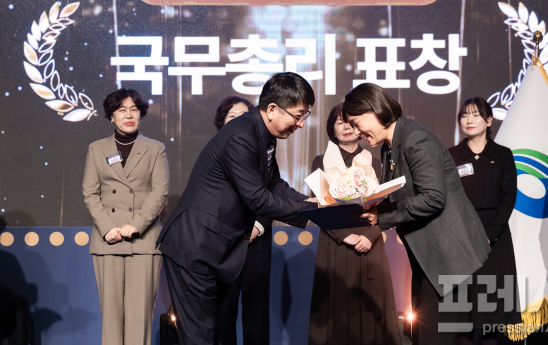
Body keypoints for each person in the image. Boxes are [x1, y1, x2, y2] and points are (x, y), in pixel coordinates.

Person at [157, 72, 318, 345]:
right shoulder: (241, 136)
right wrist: (309, 213)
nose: (301, 124)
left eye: (305, 116)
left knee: (211, 335)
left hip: (215, 250)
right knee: (200, 338)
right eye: (298, 116)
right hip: (195, 248)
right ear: (272, 109)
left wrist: (313, 203)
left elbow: (274, 183)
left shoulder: (264, 135)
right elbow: (257, 198)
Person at [341, 83, 490, 345]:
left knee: (437, 338)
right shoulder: (389, 147)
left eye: (356, 123)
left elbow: (433, 198)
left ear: (374, 110)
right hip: (428, 258)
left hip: (449, 259)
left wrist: (381, 216)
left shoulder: (415, 138)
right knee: (424, 336)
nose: (356, 131)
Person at [308, 103, 401, 345]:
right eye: (340, 123)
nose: (346, 127)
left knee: (370, 310)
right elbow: (318, 205)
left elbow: (388, 205)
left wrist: (370, 236)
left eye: (350, 122)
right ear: (332, 129)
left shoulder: (377, 161)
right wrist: (343, 236)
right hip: (335, 242)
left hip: (369, 241)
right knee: (335, 310)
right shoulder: (320, 161)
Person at [83, 88, 169, 345]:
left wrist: (136, 224)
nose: (128, 115)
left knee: (139, 318)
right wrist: (108, 227)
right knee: (111, 319)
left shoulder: (155, 149)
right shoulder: (97, 149)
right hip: (107, 241)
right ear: (111, 116)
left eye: (134, 109)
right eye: (122, 110)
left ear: (141, 114)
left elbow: (160, 192)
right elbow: (90, 193)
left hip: (142, 241)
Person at [448, 97, 521, 344]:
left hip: (495, 238)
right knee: (462, 313)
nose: (469, 120)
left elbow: (508, 196)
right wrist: (461, 233)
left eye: (476, 115)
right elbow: (447, 199)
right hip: (461, 237)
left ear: (489, 120)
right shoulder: (451, 155)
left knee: (492, 313)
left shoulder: (502, 154)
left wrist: (489, 235)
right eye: (464, 115)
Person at [214, 96, 273, 345]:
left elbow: (271, 192)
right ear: (222, 122)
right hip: (224, 242)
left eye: (244, 115)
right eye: (232, 116)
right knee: (223, 310)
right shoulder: (215, 151)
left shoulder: (265, 150)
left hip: (257, 240)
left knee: (257, 313)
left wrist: (257, 227)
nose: (239, 120)